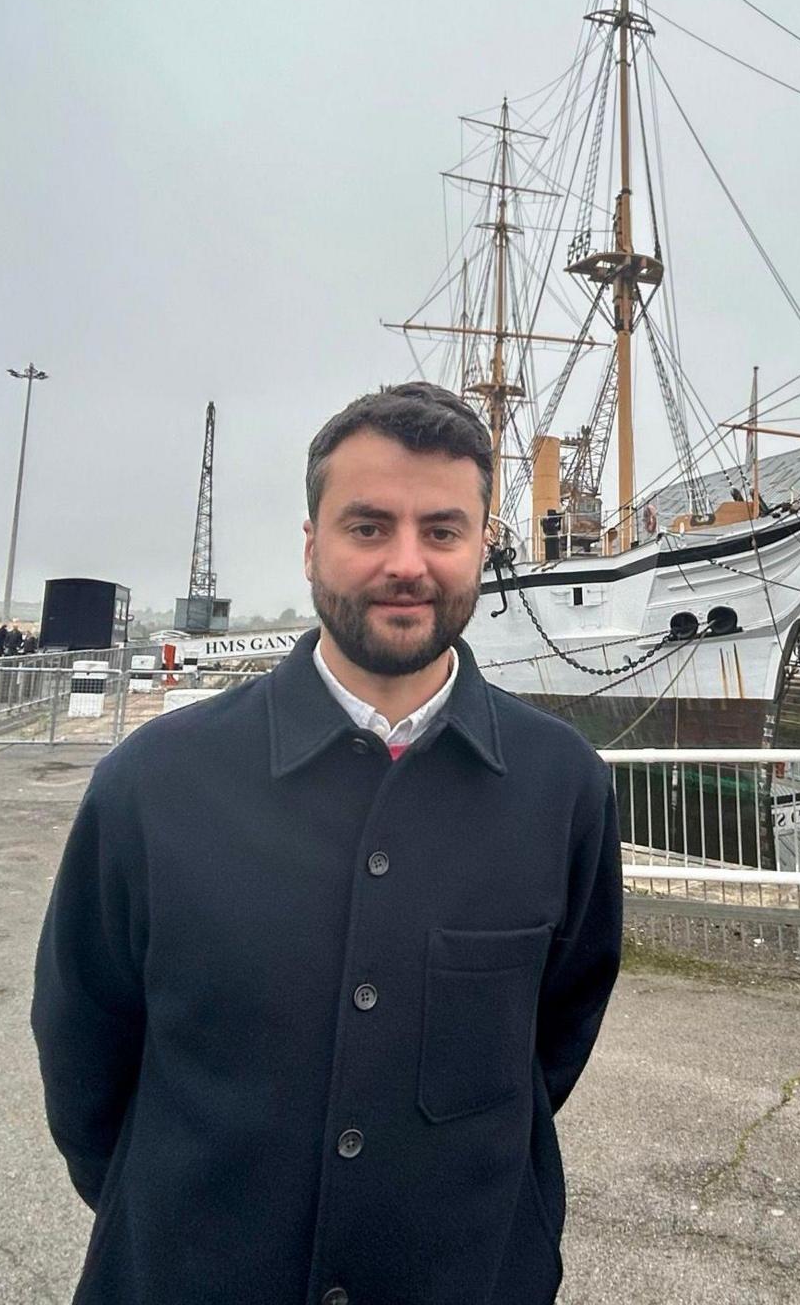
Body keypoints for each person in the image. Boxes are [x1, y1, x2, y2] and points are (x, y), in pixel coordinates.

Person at [33, 381, 622, 1305]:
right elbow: (85, 1050)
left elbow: (554, 1036)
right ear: (311, 546)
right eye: (367, 527)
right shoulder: (152, 787)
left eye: (442, 530)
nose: (407, 563)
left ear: (481, 547)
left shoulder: (564, 789)